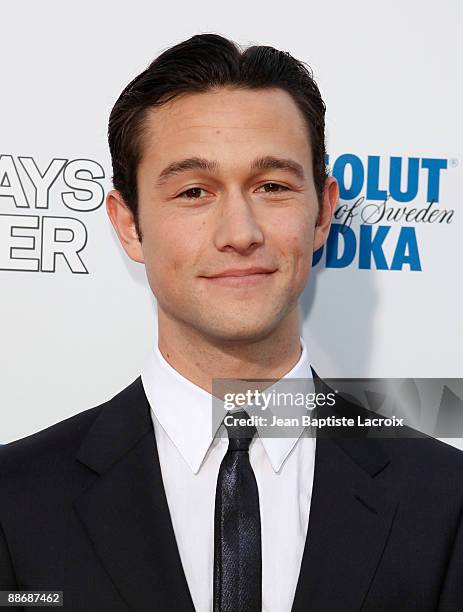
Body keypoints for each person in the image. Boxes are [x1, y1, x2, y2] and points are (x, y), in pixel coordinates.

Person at [1, 33, 462, 612]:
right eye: (194, 192)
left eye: (272, 187)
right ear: (127, 224)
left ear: (322, 213)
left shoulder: (444, 499)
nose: (240, 232)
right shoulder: (15, 502)